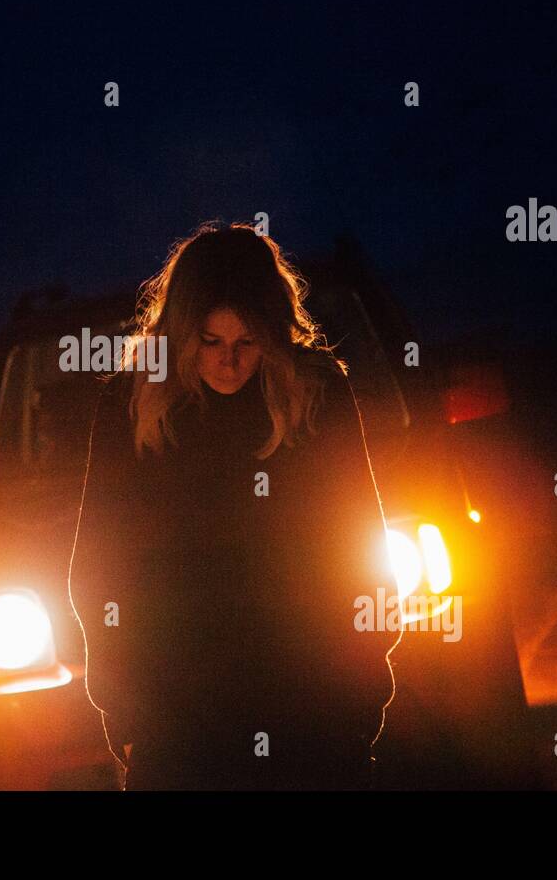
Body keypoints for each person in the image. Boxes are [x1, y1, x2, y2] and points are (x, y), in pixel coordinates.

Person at [67, 221, 403, 790]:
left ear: (273, 334)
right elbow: (99, 572)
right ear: (179, 333)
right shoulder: (131, 409)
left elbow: (362, 552)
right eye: (210, 341)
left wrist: (361, 695)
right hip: (180, 727)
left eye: (247, 342)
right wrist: (125, 709)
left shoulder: (316, 396)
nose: (229, 363)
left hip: (312, 712)